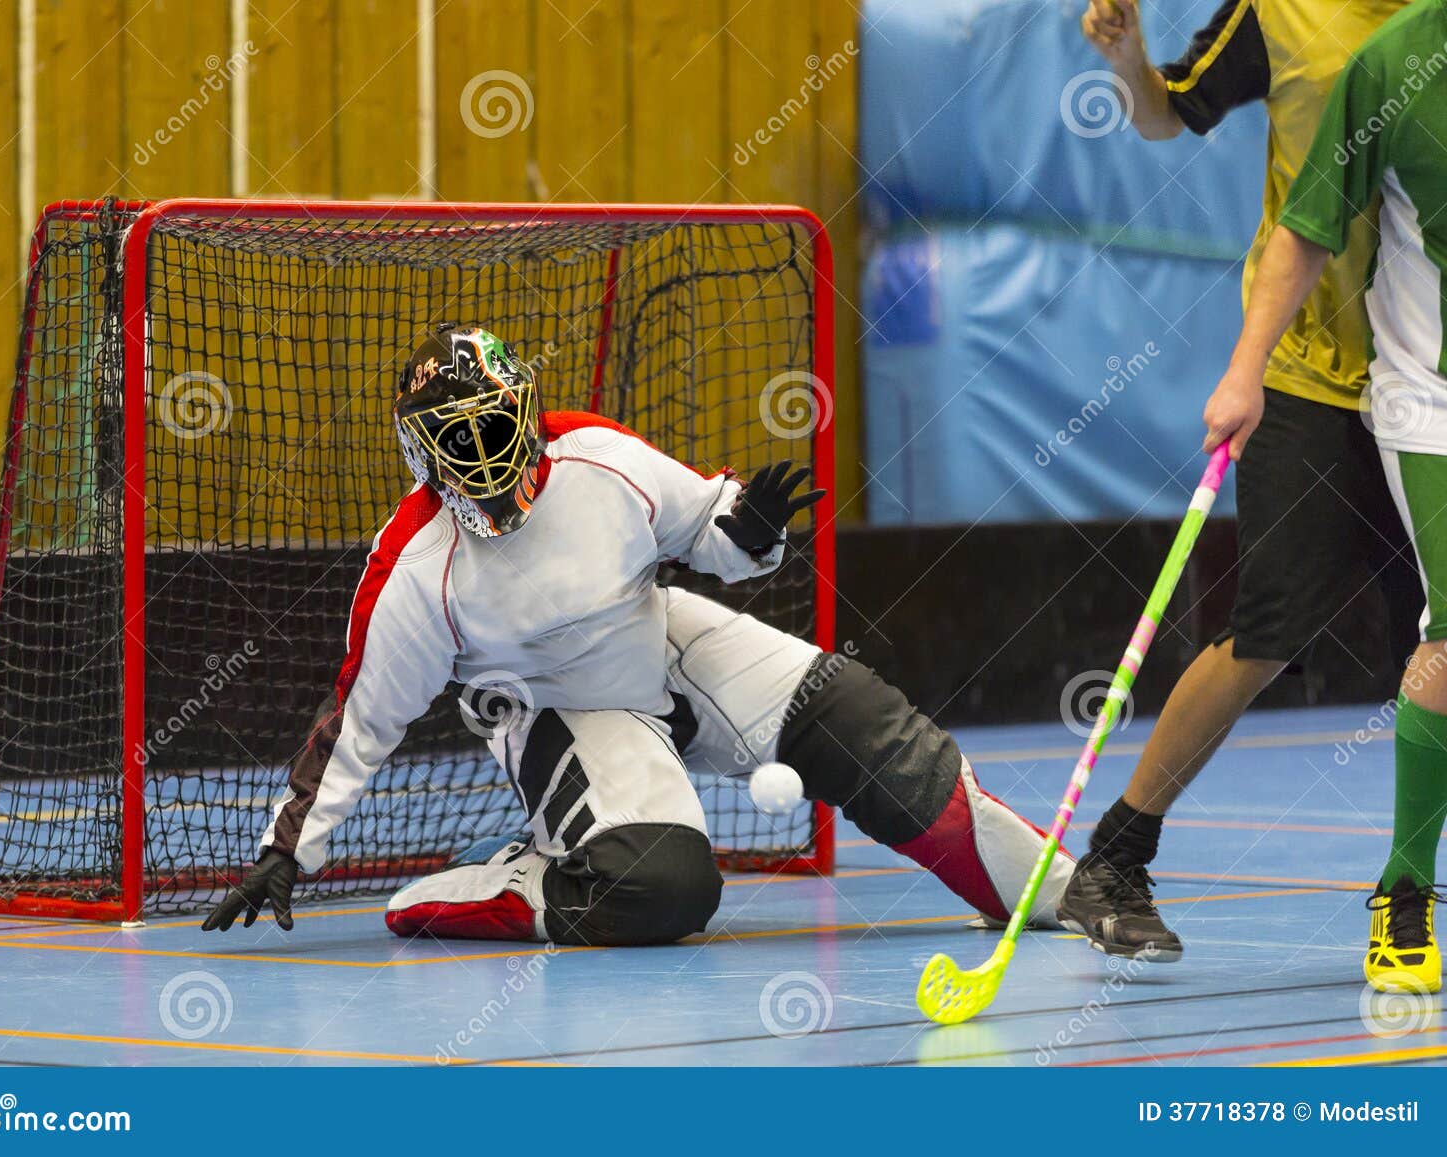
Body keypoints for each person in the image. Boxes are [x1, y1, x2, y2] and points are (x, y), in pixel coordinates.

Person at [201, 323, 1074, 945]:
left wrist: (753, 528)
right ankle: (490, 882)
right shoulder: (415, 571)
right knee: (664, 888)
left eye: (491, 427)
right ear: (418, 453)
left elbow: (710, 534)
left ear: (524, 411)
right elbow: (363, 719)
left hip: (661, 643)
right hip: (555, 711)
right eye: (452, 440)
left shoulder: (601, 459)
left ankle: (1060, 892)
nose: (477, 456)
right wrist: (289, 851)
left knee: (857, 717)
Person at [1060, 0, 1419, 961]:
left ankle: (1412, 889)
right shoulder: (1284, 14)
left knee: (1429, 654)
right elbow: (1163, 113)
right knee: (1269, 631)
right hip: (1310, 376)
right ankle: (1115, 855)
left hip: (1423, 385)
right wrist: (1132, 60)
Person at [1192, 0, 1447, 993]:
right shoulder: (1392, 65)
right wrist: (1244, 367)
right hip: (1431, 402)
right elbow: (1305, 230)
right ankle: (1406, 889)